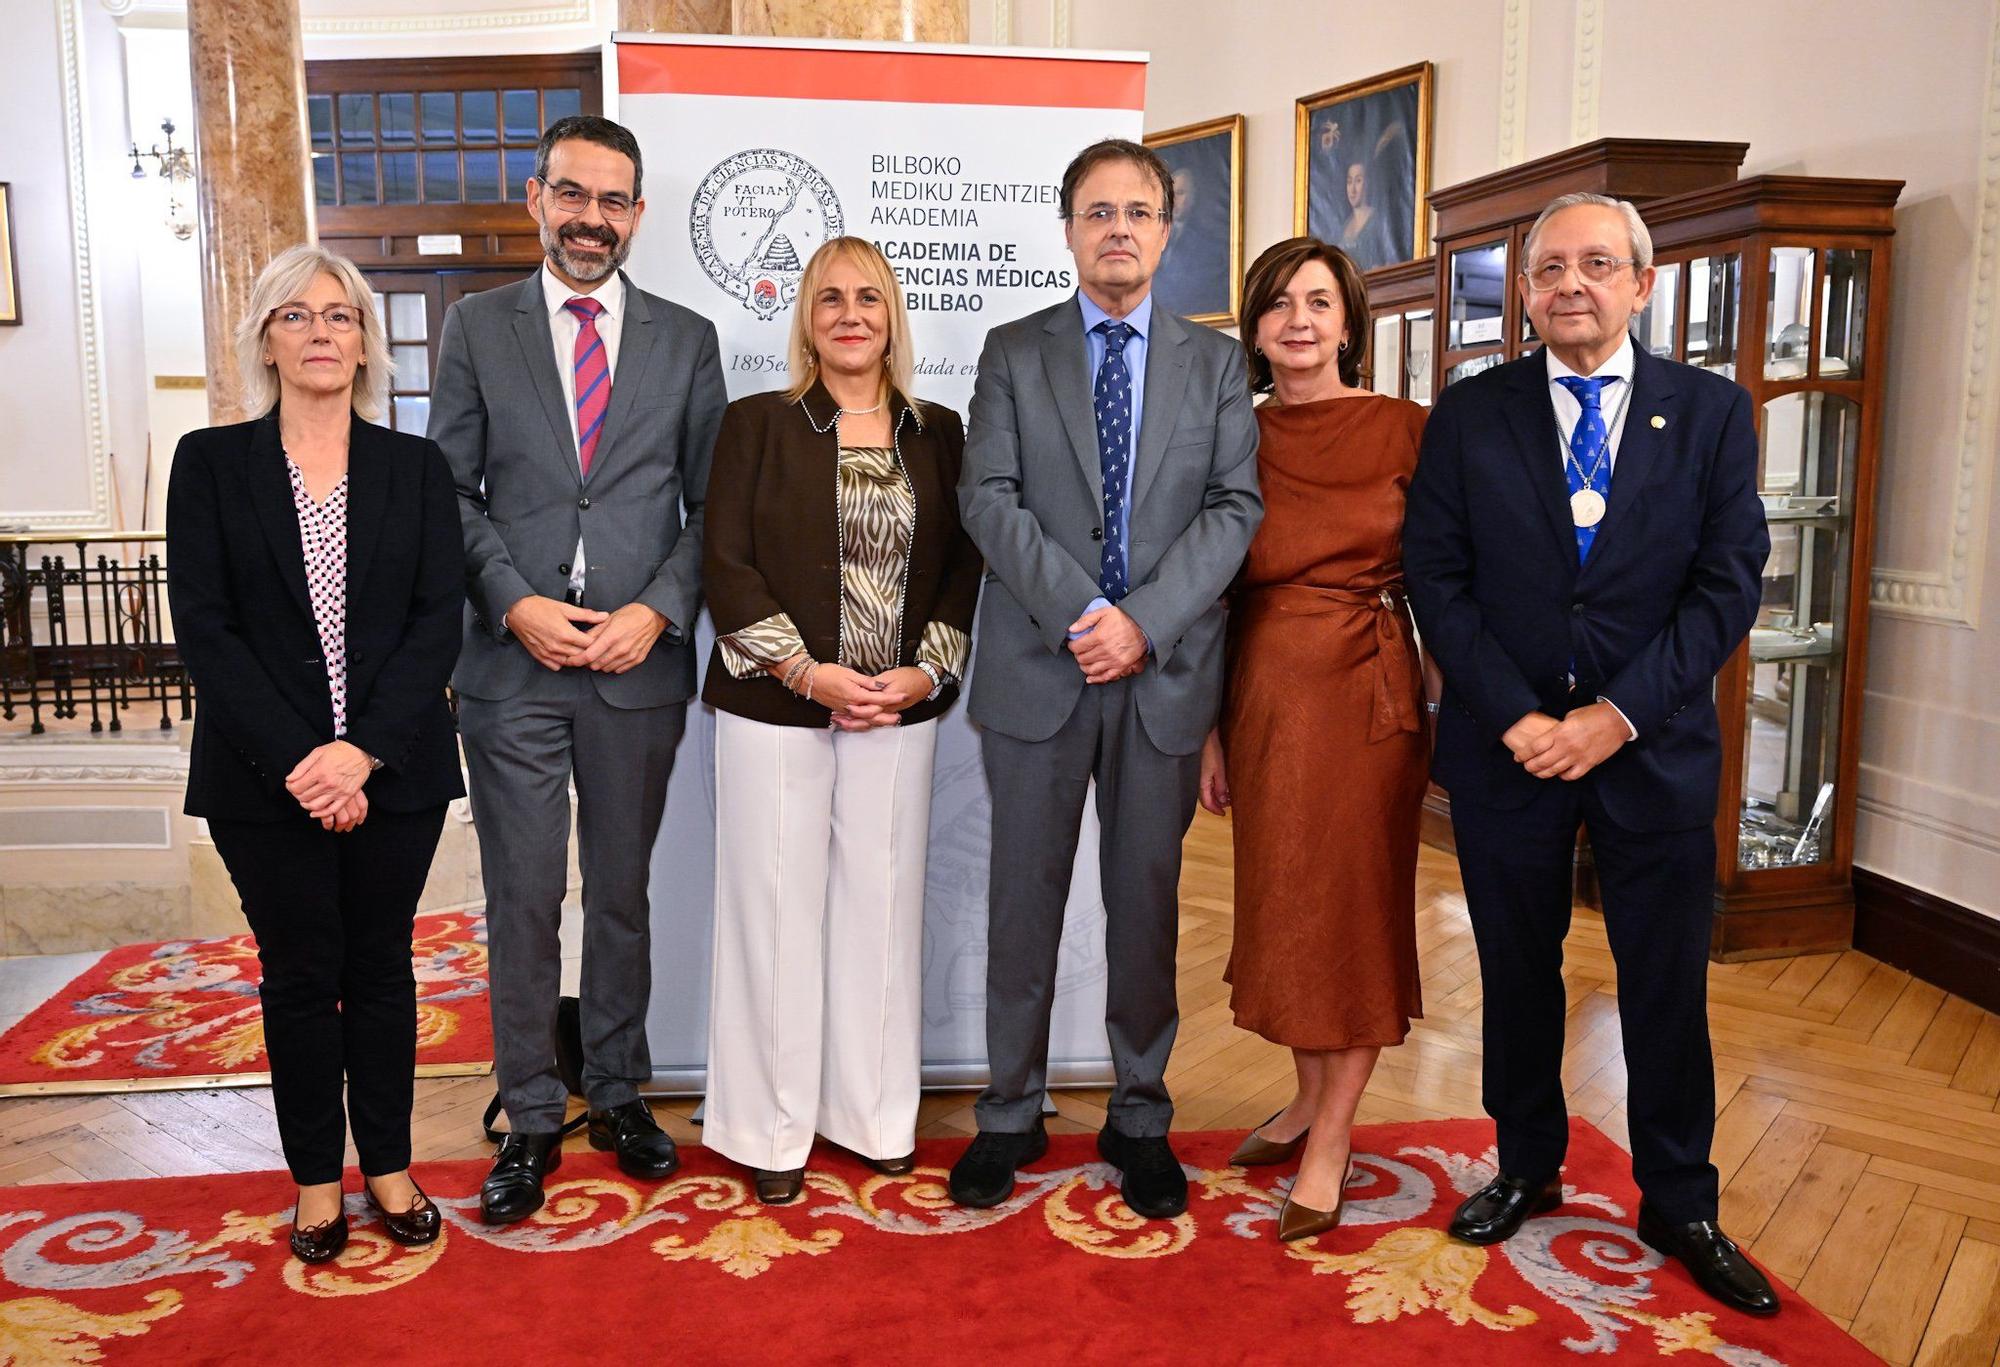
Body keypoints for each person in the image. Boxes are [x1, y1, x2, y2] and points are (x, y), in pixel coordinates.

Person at [1402, 192, 1778, 1316]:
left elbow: (1726, 586)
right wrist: (1515, 712)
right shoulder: (1469, 413)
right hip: (1503, 744)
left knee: (1662, 981)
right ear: (1523, 290)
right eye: (1548, 267)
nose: (1570, 283)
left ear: (1640, 283)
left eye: (1595, 264)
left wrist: (1612, 715)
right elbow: (1438, 573)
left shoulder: (1709, 412)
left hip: (1649, 747)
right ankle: (1523, 1161)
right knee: (1516, 970)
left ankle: (1677, 1197)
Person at [951, 138, 1263, 1220]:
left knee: (1144, 905)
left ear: (1166, 231)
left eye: (1137, 211)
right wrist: (1084, 614)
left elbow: (1234, 510)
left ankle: (1139, 1111)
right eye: (1097, 211)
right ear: (1069, 227)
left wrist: (1138, 623)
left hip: (1162, 675)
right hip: (1039, 671)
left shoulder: (1215, 364)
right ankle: (1007, 1110)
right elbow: (987, 497)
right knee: (1020, 902)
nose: (1117, 228)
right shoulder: (1010, 350)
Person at [429, 114, 726, 1224]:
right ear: (535, 198)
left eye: (612, 200)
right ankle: (533, 1112)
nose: (590, 218)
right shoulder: (476, 330)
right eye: (572, 194)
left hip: (634, 667)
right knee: (520, 899)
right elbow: (447, 491)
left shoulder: (686, 340)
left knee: (622, 894)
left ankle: (617, 1090)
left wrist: (657, 609)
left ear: (637, 214)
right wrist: (511, 601)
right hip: (513, 668)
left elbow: (709, 509)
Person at [167, 244, 465, 1264]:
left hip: (398, 771)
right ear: (265, 338)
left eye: (339, 315)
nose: (321, 332)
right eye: (295, 316)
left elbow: (436, 623)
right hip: (263, 777)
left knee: (381, 965)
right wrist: (308, 758)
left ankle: (386, 1163)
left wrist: (362, 754)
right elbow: (206, 627)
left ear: (366, 341)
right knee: (298, 974)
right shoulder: (209, 463)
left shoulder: (414, 466)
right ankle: (313, 1180)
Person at [700, 237, 981, 1205]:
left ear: (892, 315)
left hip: (899, 711)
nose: (850, 313)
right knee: (771, 911)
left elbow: (961, 568)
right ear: (807, 319)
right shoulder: (757, 424)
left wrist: (920, 673)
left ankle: (871, 1114)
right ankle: (770, 1127)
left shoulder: (938, 431)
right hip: (775, 705)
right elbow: (724, 562)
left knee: (882, 910)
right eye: (830, 299)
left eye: (868, 297)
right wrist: (808, 671)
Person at [1199, 237, 1433, 1241]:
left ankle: (1333, 1133)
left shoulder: (1408, 430)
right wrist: (1208, 726)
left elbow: (1447, 571)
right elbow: (1207, 593)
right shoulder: (1229, 437)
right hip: (1259, 697)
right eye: (1279, 303)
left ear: (1349, 322)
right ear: (1254, 327)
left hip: (1370, 698)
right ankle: (1301, 1100)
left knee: (1353, 914)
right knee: (1284, 906)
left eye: (1319, 302)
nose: (1298, 319)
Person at [1337, 160, 1400, 273]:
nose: (1353, 189)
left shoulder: (1378, 221)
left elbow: (1390, 260)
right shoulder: (1344, 226)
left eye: (1358, 181)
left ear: (1368, 183)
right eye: (1349, 181)